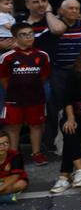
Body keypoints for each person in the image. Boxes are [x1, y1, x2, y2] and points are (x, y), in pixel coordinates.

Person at [17, 0, 67, 154]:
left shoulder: (52, 20)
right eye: (36, 2)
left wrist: (48, 12)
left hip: (45, 75)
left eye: (43, 1)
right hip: (20, 74)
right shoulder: (18, 21)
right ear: (27, 5)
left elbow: (58, 30)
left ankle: (46, 144)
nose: (40, 4)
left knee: (49, 108)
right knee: (16, 111)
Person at [0, 23, 51, 165]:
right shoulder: (7, 57)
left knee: (36, 126)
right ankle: (13, 155)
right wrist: (15, 90)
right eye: (24, 34)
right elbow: (3, 78)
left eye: (31, 33)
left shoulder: (42, 55)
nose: (29, 37)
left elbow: (44, 76)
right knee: (13, 127)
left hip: (36, 98)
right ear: (15, 37)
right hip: (14, 99)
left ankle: (36, 153)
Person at [50, 47, 81, 194]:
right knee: (69, 129)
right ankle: (79, 171)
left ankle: (65, 176)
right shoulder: (75, 73)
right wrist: (70, 117)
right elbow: (67, 98)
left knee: (70, 135)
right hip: (76, 113)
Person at [0, 130, 27, 204]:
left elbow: (15, 176)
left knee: (22, 184)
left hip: (9, 182)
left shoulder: (15, 155)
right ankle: (5, 197)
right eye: (0, 144)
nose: (2, 147)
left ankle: (3, 196)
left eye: (6, 143)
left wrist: (1, 188)